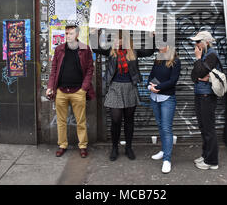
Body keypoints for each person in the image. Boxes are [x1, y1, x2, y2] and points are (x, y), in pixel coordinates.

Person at [90, 29, 155, 161]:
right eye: (116, 38)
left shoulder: (133, 51)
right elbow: (96, 48)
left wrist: (151, 37)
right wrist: (94, 34)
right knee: (116, 119)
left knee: (129, 120)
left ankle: (129, 147)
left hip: (130, 87)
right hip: (115, 87)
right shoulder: (111, 51)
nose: (118, 41)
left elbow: (149, 52)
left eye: (121, 38)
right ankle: (114, 147)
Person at [47, 25, 95, 158]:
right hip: (61, 91)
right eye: (66, 33)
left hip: (78, 91)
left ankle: (83, 146)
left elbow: (90, 69)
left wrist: (84, 88)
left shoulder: (85, 49)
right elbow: (54, 69)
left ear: (77, 35)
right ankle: (62, 145)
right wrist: (51, 86)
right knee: (61, 121)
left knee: (81, 121)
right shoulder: (59, 49)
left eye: (71, 33)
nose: (68, 36)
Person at [190, 31, 222, 170]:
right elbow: (194, 76)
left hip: (207, 96)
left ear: (206, 42)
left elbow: (201, 72)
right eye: (195, 42)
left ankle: (212, 161)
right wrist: (200, 72)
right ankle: (205, 155)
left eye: (198, 42)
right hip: (200, 94)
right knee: (203, 127)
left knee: (208, 128)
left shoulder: (211, 55)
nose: (196, 45)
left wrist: (198, 60)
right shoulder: (204, 56)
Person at [148, 45, 181, 174]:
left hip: (167, 98)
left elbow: (173, 81)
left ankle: (167, 160)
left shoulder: (175, 61)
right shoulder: (158, 59)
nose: (158, 46)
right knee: (160, 125)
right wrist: (149, 85)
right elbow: (151, 75)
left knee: (166, 128)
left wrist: (159, 87)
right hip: (154, 97)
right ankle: (163, 150)